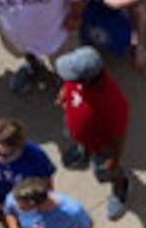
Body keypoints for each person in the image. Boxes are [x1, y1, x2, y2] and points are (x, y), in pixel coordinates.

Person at [55, 45, 136, 217]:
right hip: (80, 132)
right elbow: (68, 83)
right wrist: (64, 93)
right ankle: (82, 150)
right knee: (77, 136)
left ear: (87, 80)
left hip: (102, 147)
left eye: (72, 75)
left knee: (106, 172)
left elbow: (118, 137)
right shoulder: (78, 79)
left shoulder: (113, 103)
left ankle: (121, 186)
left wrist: (114, 160)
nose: (68, 77)